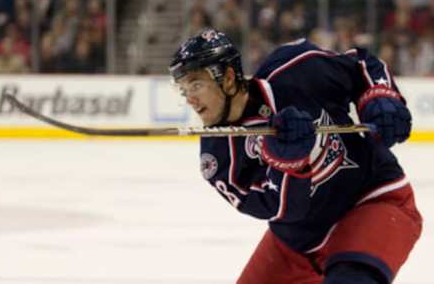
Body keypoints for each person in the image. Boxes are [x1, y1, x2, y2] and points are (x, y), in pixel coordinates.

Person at [168, 29, 422, 284]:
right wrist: (287, 162)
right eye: (183, 88)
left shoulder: (296, 70)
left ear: (229, 78)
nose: (190, 98)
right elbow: (284, 210)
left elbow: (361, 66)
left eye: (196, 84)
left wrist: (380, 97)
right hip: (298, 242)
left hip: (372, 199)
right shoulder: (217, 157)